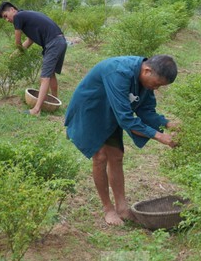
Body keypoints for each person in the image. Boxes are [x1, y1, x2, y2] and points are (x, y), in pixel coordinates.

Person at [64, 55, 179, 226]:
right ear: (147, 70)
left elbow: (146, 111)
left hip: (113, 111)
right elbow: (126, 119)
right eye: (157, 84)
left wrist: (169, 124)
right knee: (100, 156)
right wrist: (160, 136)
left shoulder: (145, 80)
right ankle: (108, 209)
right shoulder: (118, 72)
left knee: (116, 155)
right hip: (91, 108)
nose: (156, 88)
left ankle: (122, 208)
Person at [0, 1, 68, 116]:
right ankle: (55, 102)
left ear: (12, 10)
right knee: (50, 74)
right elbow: (29, 41)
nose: (7, 20)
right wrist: (15, 55)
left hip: (53, 43)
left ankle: (36, 110)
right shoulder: (26, 17)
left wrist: (18, 50)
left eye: (5, 16)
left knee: (44, 77)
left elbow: (17, 42)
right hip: (60, 41)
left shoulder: (18, 17)